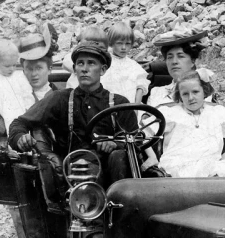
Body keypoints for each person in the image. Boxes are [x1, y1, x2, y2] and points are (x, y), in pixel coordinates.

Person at [9, 41, 138, 187]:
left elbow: (136, 141)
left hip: (116, 173)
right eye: (80, 63)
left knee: (119, 157)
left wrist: (115, 144)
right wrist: (20, 137)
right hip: (75, 173)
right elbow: (18, 123)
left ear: (102, 70)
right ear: (75, 69)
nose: (84, 69)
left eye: (91, 63)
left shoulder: (119, 103)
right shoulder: (60, 99)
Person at [159, 75, 225, 178]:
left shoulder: (216, 112)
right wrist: (151, 157)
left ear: (204, 92)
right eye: (185, 94)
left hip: (210, 166)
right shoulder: (170, 113)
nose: (191, 98)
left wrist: (223, 158)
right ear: (180, 96)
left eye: (195, 92)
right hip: (178, 167)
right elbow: (143, 134)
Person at [146, 28, 216, 108]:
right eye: (170, 57)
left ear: (193, 60)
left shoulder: (201, 89)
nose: (174, 61)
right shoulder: (156, 92)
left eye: (180, 56)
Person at [102, 21, 149, 105]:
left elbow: (141, 87)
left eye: (127, 44)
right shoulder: (105, 61)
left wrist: (136, 106)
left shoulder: (133, 65)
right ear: (111, 43)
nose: (124, 47)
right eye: (119, 43)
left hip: (131, 107)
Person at [17, 32, 55, 103]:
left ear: (49, 69)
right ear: (23, 70)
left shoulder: (59, 97)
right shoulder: (16, 97)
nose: (34, 74)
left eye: (39, 68)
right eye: (29, 68)